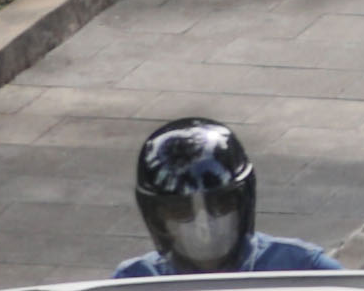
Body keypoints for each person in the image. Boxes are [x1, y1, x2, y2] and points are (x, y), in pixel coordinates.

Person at [113, 113, 341, 277]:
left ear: (243, 202)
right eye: (181, 210)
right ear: (156, 216)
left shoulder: (303, 269)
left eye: (220, 204)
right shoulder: (135, 283)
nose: (204, 225)